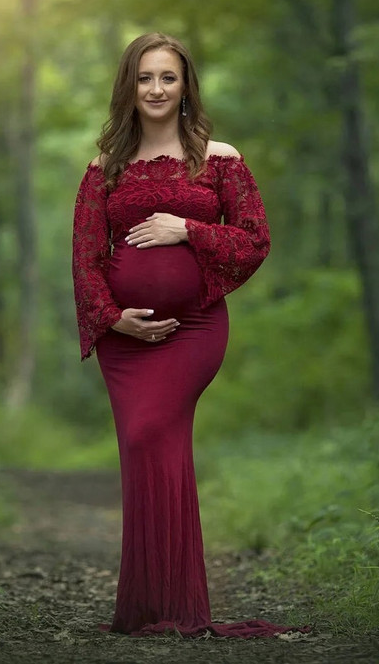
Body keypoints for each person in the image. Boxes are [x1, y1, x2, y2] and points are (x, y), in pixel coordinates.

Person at [71, 32, 308, 638]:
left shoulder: (219, 158)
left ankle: (176, 599)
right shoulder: (104, 168)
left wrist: (187, 230)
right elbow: (85, 258)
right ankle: (153, 605)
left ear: (185, 86)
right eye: (144, 77)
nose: (155, 88)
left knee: (153, 431)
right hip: (125, 341)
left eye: (167, 77)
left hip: (194, 330)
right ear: (129, 86)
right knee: (144, 447)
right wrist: (112, 317)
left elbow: (255, 240)